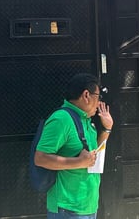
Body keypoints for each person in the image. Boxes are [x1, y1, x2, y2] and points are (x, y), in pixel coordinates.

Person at [34, 73, 114, 219]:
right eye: (98, 97)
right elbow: (40, 158)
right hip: (66, 208)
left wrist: (107, 128)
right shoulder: (61, 119)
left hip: (88, 205)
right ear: (86, 95)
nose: (99, 103)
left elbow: (92, 156)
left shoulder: (86, 120)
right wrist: (79, 162)